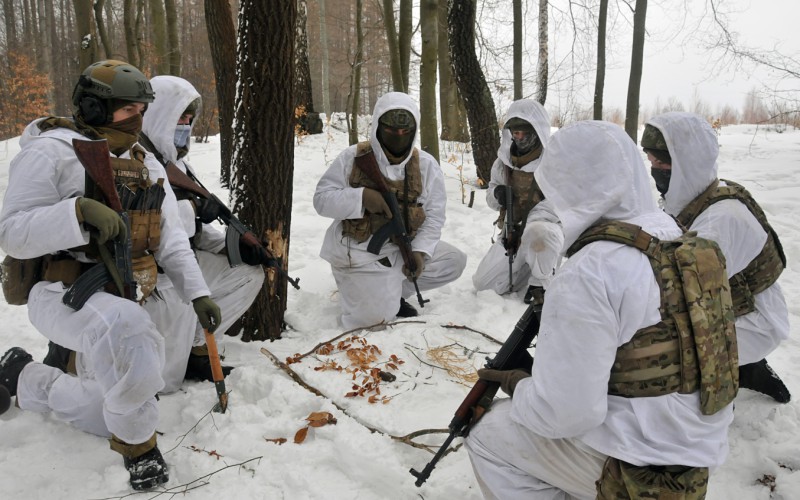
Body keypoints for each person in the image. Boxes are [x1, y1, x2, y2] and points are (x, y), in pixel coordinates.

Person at [466, 121, 736, 499]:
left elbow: (565, 415)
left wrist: (522, 386)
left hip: (640, 474)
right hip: (696, 455)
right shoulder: (680, 240)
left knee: (489, 435)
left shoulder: (590, 270)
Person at [0, 60, 221, 491]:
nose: (138, 118)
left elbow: (171, 241)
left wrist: (198, 295)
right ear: (95, 108)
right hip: (61, 291)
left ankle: (26, 376)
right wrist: (75, 213)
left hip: (125, 291)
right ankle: (140, 453)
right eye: (127, 109)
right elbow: (11, 233)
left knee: (108, 409)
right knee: (131, 335)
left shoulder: (147, 165)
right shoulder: (52, 151)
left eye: (143, 108)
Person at [642, 111, 791, 403]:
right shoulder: (699, 193)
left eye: (662, 162)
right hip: (731, 307)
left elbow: (680, 295)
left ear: (689, 163)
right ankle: (740, 362)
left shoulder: (721, 220)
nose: (654, 169)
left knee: (652, 350)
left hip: (754, 321)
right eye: (651, 160)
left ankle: (723, 381)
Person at [139, 75, 264, 386]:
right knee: (163, 383)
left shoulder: (179, 165)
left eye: (189, 118)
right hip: (148, 278)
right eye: (179, 116)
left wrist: (232, 246)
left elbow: (194, 230)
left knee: (250, 273)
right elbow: (153, 226)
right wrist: (193, 209)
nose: (185, 124)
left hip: (183, 265)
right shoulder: (135, 160)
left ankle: (197, 350)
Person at [313, 92, 466, 330]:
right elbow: (321, 200)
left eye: (405, 132)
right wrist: (361, 197)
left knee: (453, 261)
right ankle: (368, 294)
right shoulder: (353, 158)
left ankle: (389, 292)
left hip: (399, 247)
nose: (398, 137)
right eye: (391, 131)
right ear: (378, 128)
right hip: (358, 254)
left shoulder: (425, 165)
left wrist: (419, 252)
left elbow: (435, 216)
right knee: (373, 323)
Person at [472, 99, 562, 305]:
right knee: (484, 284)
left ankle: (541, 281)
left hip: (545, 232)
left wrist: (529, 226)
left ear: (536, 131)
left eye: (524, 133)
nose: (519, 138)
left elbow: (562, 204)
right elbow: (491, 193)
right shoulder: (504, 162)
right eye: (515, 133)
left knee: (539, 233)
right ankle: (527, 264)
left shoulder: (553, 162)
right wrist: (497, 195)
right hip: (511, 232)